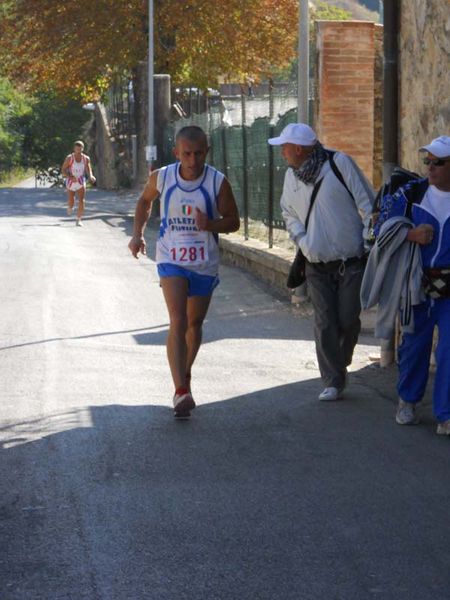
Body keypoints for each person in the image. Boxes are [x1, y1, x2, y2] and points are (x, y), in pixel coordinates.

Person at [128, 126, 240, 418]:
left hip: (203, 262)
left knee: (194, 323)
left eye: (198, 153)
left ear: (207, 151)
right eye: (186, 153)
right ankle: (180, 391)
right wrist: (137, 234)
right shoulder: (163, 177)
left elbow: (233, 221)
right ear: (176, 153)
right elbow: (144, 201)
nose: (192, 160)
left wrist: (210, 225)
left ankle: (184, 376)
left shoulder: (217, 182)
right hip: (170, 258)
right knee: (177, 320)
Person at [268, 123, 374, 401]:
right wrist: (304, 241)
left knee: (348, 319)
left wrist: (366, 241)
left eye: (285, 148)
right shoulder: (292, 177)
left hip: (350, 261)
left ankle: (339, 363)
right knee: (325, 320)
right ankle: (333, 380)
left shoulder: (339, 164)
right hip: (315, 263)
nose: (283, 154)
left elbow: (368, 203)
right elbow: (287, 212)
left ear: (300, 149)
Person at [374, 135, 450, 435]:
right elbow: (379, 229)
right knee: (414, 346)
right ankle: (407, 401)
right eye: (428, 161)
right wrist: (410, 235)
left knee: (449, 351)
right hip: (417, 286)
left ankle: (445, 415)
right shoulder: (412, 193)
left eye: (438, 163)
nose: (430, 168)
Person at [61, 140, 96, 226]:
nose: (78, 151)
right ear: (74, 149)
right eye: (77, 149)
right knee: (71, 200)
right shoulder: (69, 158)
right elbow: (63, 170)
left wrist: (91, 176)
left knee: (82, 200)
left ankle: (79, 219)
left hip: (80, 180)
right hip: (71, 180)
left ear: (83, 149)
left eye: (80, 149)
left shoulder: (86, 158)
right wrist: (70, 177)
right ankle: (70, 206)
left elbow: (88, 169)